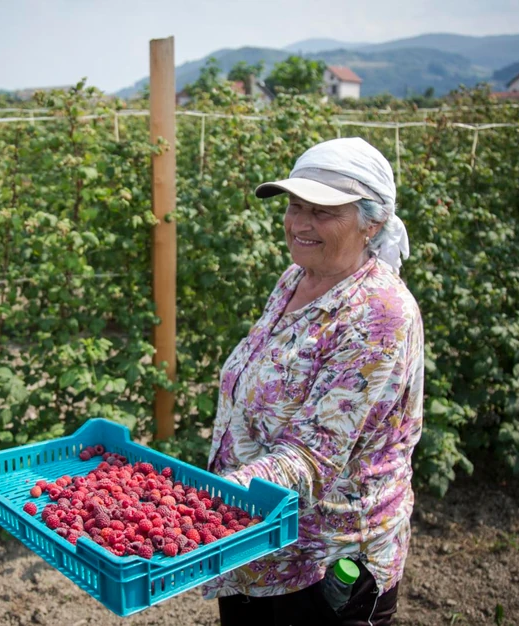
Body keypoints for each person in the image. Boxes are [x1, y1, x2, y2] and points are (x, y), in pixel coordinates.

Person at [204, 137, 424, 626]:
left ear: (373, 222)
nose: (300, 223)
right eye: (295, 205)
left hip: (323, 564)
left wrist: (199, 499)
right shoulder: (296, 278)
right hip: (254, 537)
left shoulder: (378, 314)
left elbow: (312, 457)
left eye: (323, 211)